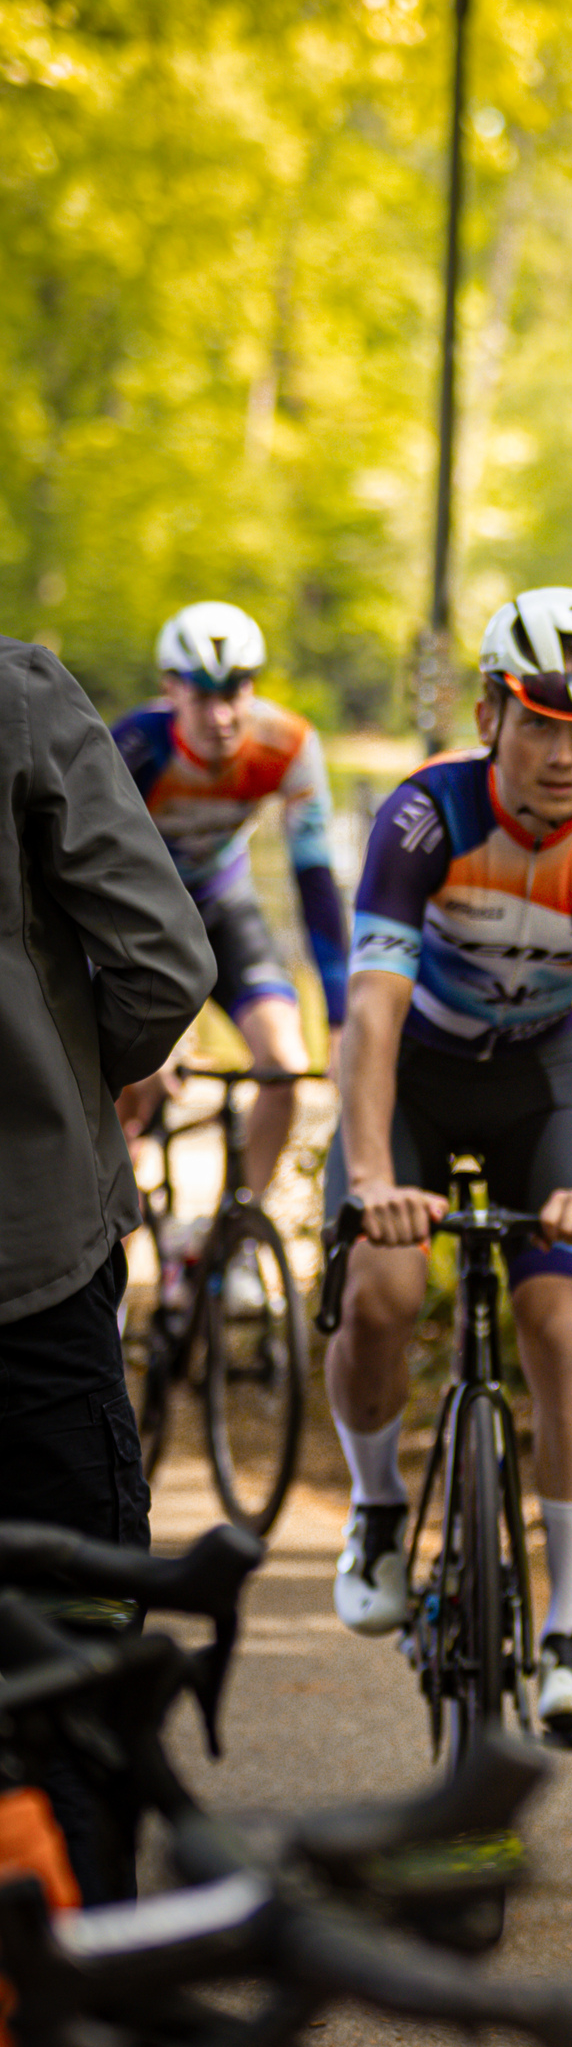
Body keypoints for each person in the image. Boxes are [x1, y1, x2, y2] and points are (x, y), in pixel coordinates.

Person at [322, 587, 572, 1745]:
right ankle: (374, 1506)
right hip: (409, 1074)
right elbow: (370, 1009)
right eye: (537, 721)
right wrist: (368, 1177)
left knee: (561, 1327)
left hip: (539, 1078)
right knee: (384, 1293)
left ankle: (568, 1630)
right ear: (488, 715)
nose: (563, 751)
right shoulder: (425, 816)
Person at [0, 634, 215, 1896]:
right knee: (73, 1673)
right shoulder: (18, 695)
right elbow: (164, 961)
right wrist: (75, 1081)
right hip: (25, 1258)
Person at [113, 602, 348, 1199]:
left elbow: (315, 883)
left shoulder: (288, 746)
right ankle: (112, 1222)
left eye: (236, 690)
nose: (222, 715)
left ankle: (234, 1233)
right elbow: (93, 884)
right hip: (138, 922)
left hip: (222, 906)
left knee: (285, 1067)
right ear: (170, 690)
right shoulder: (134, 749)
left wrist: (343, 1019)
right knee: (126, 1078)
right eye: (202, 695)